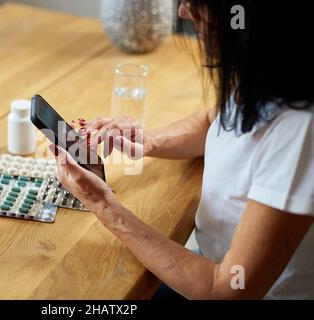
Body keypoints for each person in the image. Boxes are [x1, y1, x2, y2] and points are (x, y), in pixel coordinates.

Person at [49, 0, 314, 299]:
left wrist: (102, 203)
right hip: (207, 261)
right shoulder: (267, 73)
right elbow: (211, 119)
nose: (183, 13)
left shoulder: (301, 130)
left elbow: (225, 290)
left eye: (196, 4)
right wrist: (148, 142)